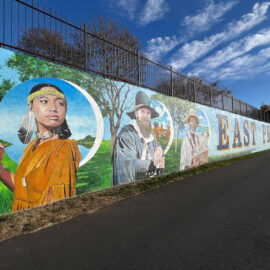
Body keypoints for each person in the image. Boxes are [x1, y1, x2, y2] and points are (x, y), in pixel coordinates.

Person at [0, 83, 81, 211]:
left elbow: (54, 209)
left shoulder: (63, 149)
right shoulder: (33, 145)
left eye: (60, 103)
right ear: (30, 107)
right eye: (44, 101)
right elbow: (24, 190)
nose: (53, 108)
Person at [112, 91, 165, 186]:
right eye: (142, 112)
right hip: (135, 186)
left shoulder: (150, 132)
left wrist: (159, 150)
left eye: (148, 113)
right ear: (136, 113)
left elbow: (157, 144)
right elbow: (127, 163)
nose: (146, 116)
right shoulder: (126, 134)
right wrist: (152, 164)